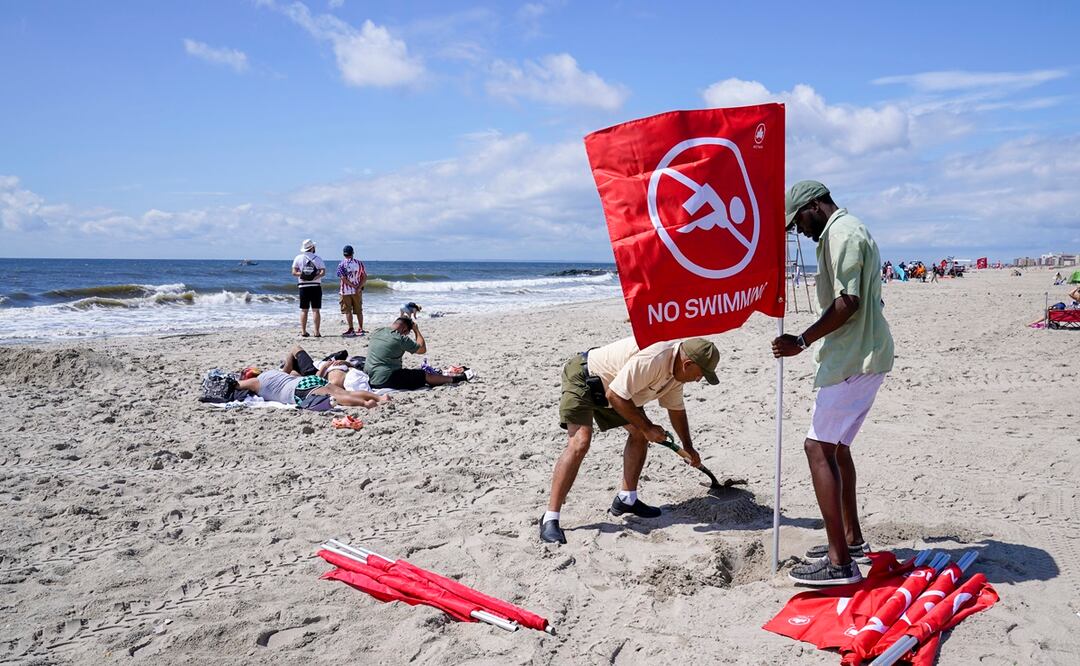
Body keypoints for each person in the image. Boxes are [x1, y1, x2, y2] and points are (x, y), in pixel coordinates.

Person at [773, 180, 894, 586]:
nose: (799, 233)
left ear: (814, 206)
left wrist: (802, 340)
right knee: (838, 449)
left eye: (798, 223)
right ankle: (851, 539)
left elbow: (850, 301)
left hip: (853, 358)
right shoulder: (844, 230)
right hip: (862, 353)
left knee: (817, 448)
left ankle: (839, 563)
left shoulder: (842, 232)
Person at [539, 337, 721, 545]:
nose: (699, 380)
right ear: (687, 364)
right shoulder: (654, 359)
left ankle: (627, 499)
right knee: (580, 443)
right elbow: (615, 396)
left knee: (639, 434)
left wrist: (688, 447)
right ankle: (549, 518)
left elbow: (676, 410)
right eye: (700, 375)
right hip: (586, 377)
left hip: (616, 390)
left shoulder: (678, 373)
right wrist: (647, 428)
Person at [363, 316, 471, 390]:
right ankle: (459, 378)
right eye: (407, 332)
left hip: (370, 376)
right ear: (405, 329)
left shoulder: (378, 331)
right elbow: (422, 349)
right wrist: (416, 330)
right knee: (423, 375)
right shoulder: (400, 338)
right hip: (385, 379)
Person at [237, 366, 388, 408]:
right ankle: (379, 397)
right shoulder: (272, 373)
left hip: (298, 390)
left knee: (340, 398)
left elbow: (237, 386)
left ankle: (366, 404)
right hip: (305, 381)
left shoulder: (255, 382)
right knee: (343, 392)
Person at [292, 239, 326, 338]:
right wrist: (313, 277)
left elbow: (294, 272)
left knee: (304, 310)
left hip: (303, 287)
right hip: (316, 286)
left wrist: (304, 276)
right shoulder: (318, 258)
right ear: (312, 247)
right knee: (316, 310)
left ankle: (303, 332)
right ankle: (316, 332)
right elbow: (323, 272)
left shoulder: (298, 258)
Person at [337, 245, 367, 338]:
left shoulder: (341, 264)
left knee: (348, 311)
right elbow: (364, 277)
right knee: (359, 310)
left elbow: (343, 278)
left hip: (345, 291)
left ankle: (351, 329)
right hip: (357, 291)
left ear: (344, 254)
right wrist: (358, 287)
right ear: (352, 253)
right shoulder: (359, 263)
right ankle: (361, 328)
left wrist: (353, 286)